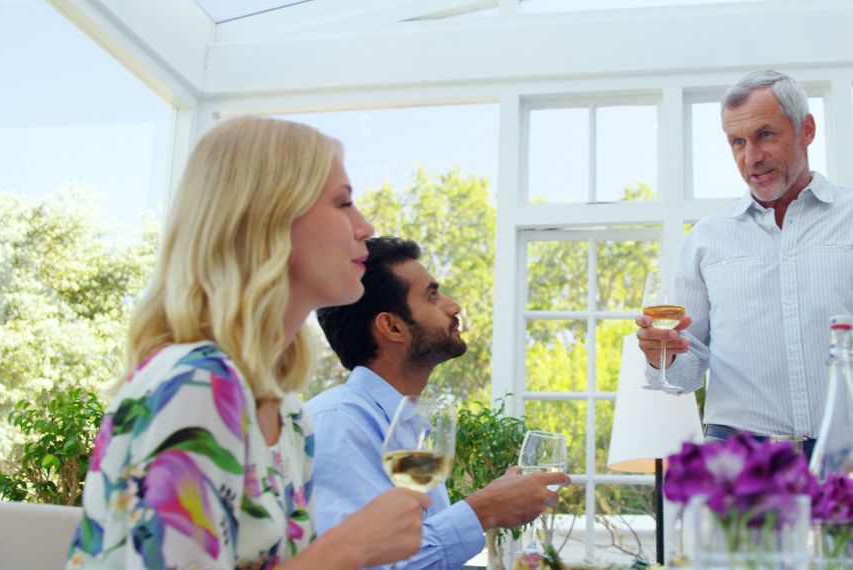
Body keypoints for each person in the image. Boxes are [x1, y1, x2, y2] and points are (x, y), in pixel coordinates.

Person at [67, 117, 429, 569]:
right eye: (344, 203)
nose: (366, 226)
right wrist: (349, 549)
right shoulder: (196, 386)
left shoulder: (290, 417)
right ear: (268, 218)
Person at [636, 69, 853, 473]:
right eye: (737, 142)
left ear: (806, 129)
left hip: (848, 455)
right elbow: (687, 372)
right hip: (738, 467)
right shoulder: (706, 238)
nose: (750, 157)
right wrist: (661, 359)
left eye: (765, 135)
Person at [309, 236, 570, 569]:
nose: (453, 306)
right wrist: (483, 511)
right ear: (392, 326)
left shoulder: (408, 427)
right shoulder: (338, 424)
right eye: (432, 295)